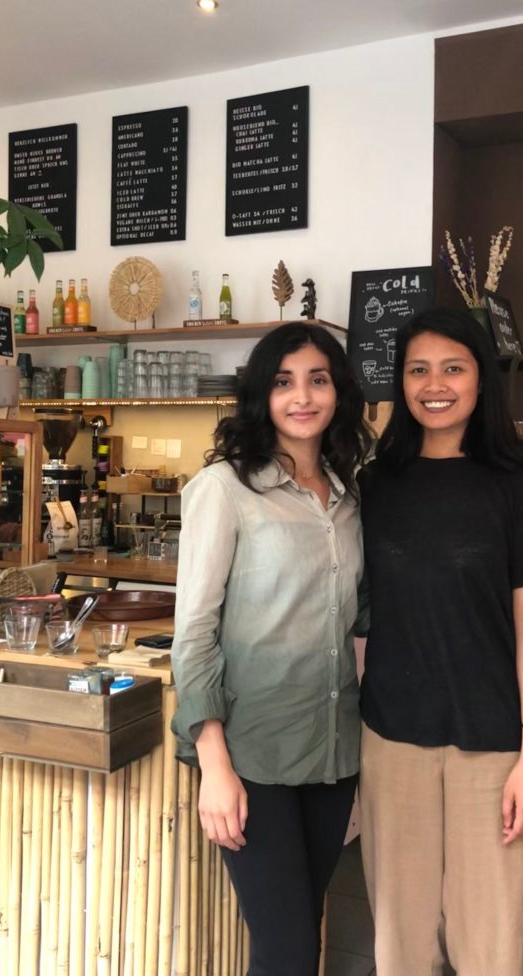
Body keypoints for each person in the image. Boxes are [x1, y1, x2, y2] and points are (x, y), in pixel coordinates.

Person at [358, 306, 523, 976]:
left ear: (481, 380)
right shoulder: (374, 487)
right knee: (401, 942)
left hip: (495, 744)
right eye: (418, 369)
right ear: (400, 382)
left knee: (493, 944)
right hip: (393, 739)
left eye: (453, 366)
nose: (434, 383)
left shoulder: (520, 490)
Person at [171, 322, 371, 976]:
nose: (302, 397)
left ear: (339, 391)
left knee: (299, 938)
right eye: (284, 382)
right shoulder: (224, 489)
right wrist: (214, 765)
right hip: (252, 756)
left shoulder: (349, 496)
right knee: (285, 954)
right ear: (263, 394)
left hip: (332, 751)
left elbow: (360, 617)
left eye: (318, 379)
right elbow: (194, 631)